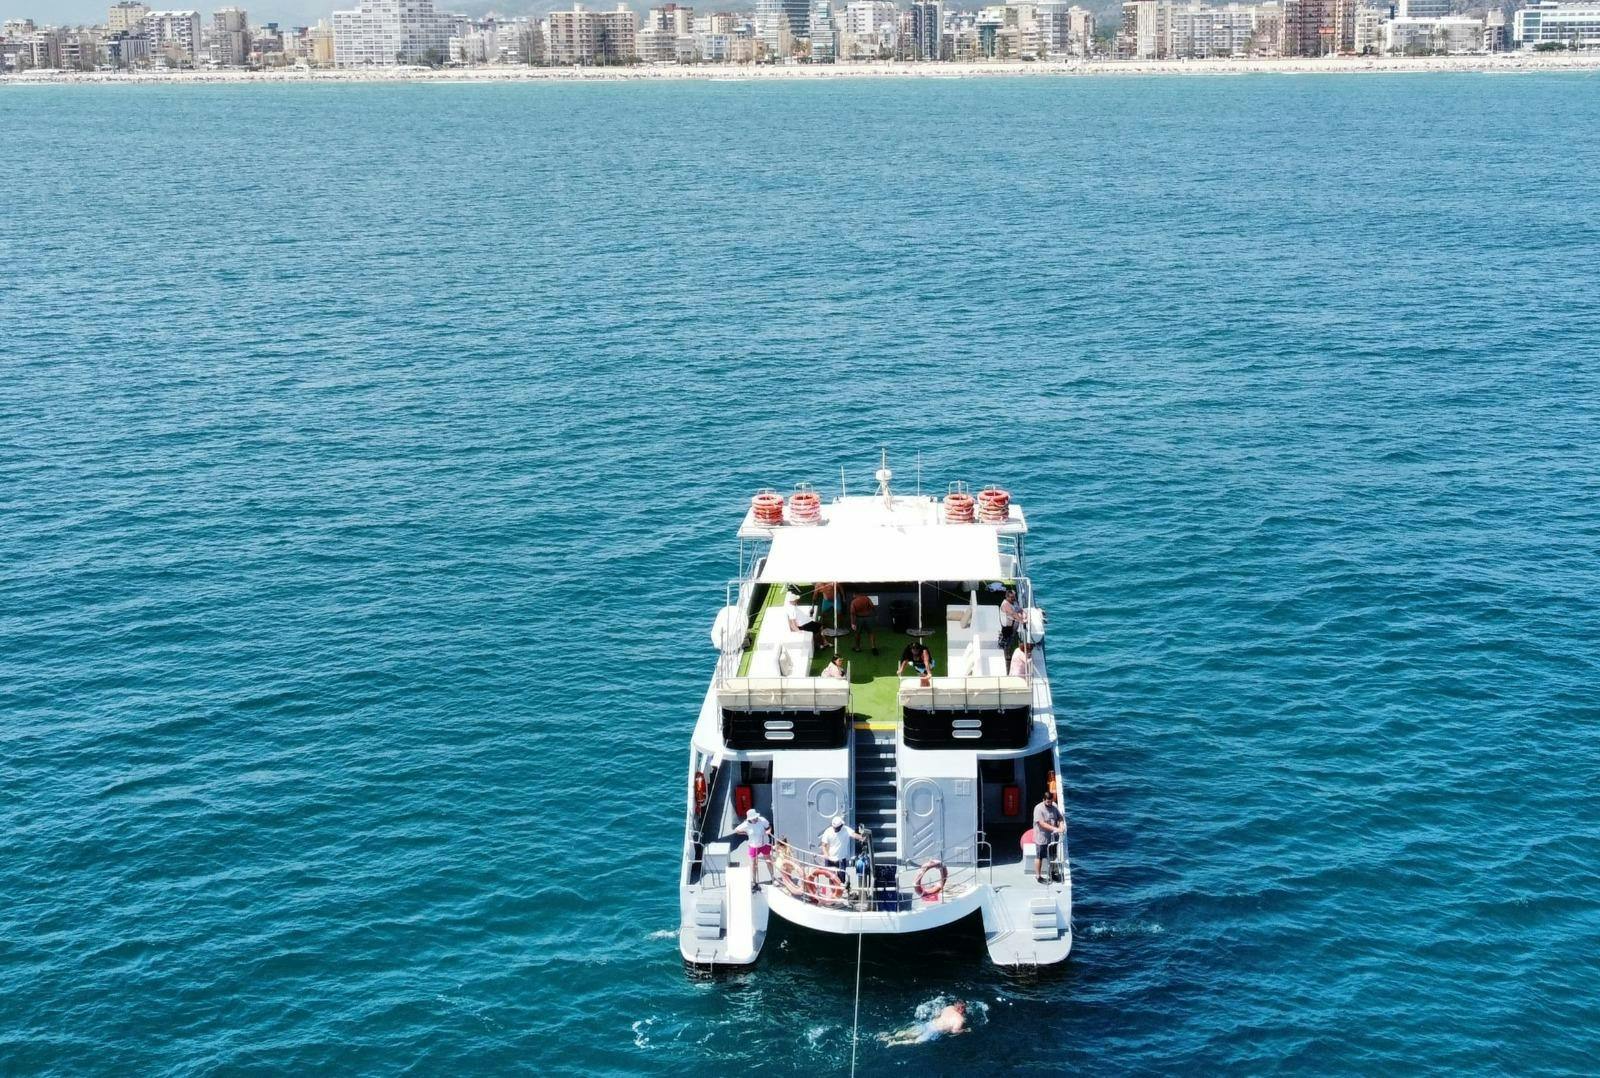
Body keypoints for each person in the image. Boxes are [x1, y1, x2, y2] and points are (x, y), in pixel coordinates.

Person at [880, 1001, 969, 1046]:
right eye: (964, 1008)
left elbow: (937, 1014)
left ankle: (889, 1036)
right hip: (934, 1031)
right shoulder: (959, 1019)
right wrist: (965, 1030)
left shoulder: (949, 1007)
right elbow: (954, 1031)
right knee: (916, 1041)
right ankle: (894, 1043)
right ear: (961, 1009)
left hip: (929, 1024)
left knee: (908, 1032)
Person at [733, 807, 774, 892]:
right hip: (753, 845)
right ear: (749, 819)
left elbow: (769, 827)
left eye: (755, 817)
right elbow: (736, 830)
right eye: (753, 818)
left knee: (768, 861)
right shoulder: (746, 824)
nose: (755, 819)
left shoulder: (762, 820)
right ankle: (754, 881)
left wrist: (768, 831)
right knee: (753, 864)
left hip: (764, 844)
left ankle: (773, 878)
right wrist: (746, 833)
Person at [818, 814, 866, 883]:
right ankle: (833, 888)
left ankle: (840, 888)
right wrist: (826, 854)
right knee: (831, 877)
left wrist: (861, 838)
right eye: (834, 827)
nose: (835, 829)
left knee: (841, 879)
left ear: (841, 826)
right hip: (830, 858)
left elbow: (854, 835)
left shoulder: (846, 829)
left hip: (841, 858)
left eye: (837, 828)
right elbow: (823, 845)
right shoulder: (828, 831)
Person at [1032, 793, 1064, 884]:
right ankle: (1038, 876)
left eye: (1050, 802)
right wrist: (1056, 829)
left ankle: (1052, 873)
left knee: (1053, 855)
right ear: (1043, 800)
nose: (1049, 803)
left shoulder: (1054, 806)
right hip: (1042, 837)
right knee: (1039, 856)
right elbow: (1042, 824)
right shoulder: (1038, 809)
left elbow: (1060, 818)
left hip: (1052, 837)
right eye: (1047, 802)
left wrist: (1061, 826)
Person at [999, 587, 1026, 656]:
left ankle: (1007, 647)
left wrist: (1023, 612)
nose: (1013, 598)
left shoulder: (1013, 602)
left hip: (1012, 623)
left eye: (1014, 597)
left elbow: (1018, 609)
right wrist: (1021, 620)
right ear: (1007, 597)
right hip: (1007, 625)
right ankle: (1006, 652)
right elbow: (1013, 613)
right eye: (1011, 597)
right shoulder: (1006, 604)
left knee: (1011, 636)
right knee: (1008, 638)